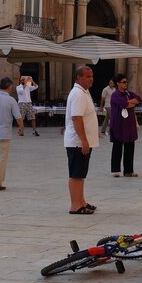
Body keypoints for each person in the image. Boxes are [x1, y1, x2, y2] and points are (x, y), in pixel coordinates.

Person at [64, 65, 98, 214]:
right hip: (77, 142)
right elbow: (76, 118)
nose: (91, 79)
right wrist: (83, 140)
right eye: (87, 76)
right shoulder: (78, 94)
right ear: (79, 78)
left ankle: (81, 201)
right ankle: (75, 205)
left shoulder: (84, 92)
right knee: (76, 174)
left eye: (91, 76)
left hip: (83, 141)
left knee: (81, 173)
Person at [108, 74, 141, 177]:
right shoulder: (115, 95)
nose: (126, 84)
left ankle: (128, 171)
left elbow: (138, 99)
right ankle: (115, 170)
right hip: (119, 123)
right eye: (123, 82)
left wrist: (130, 102)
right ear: (118, 84)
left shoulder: (128, 93)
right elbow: (125, 104)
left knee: (130, 147)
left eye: (126, 82)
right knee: (117, 146)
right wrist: (130, 103)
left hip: (129, 124)